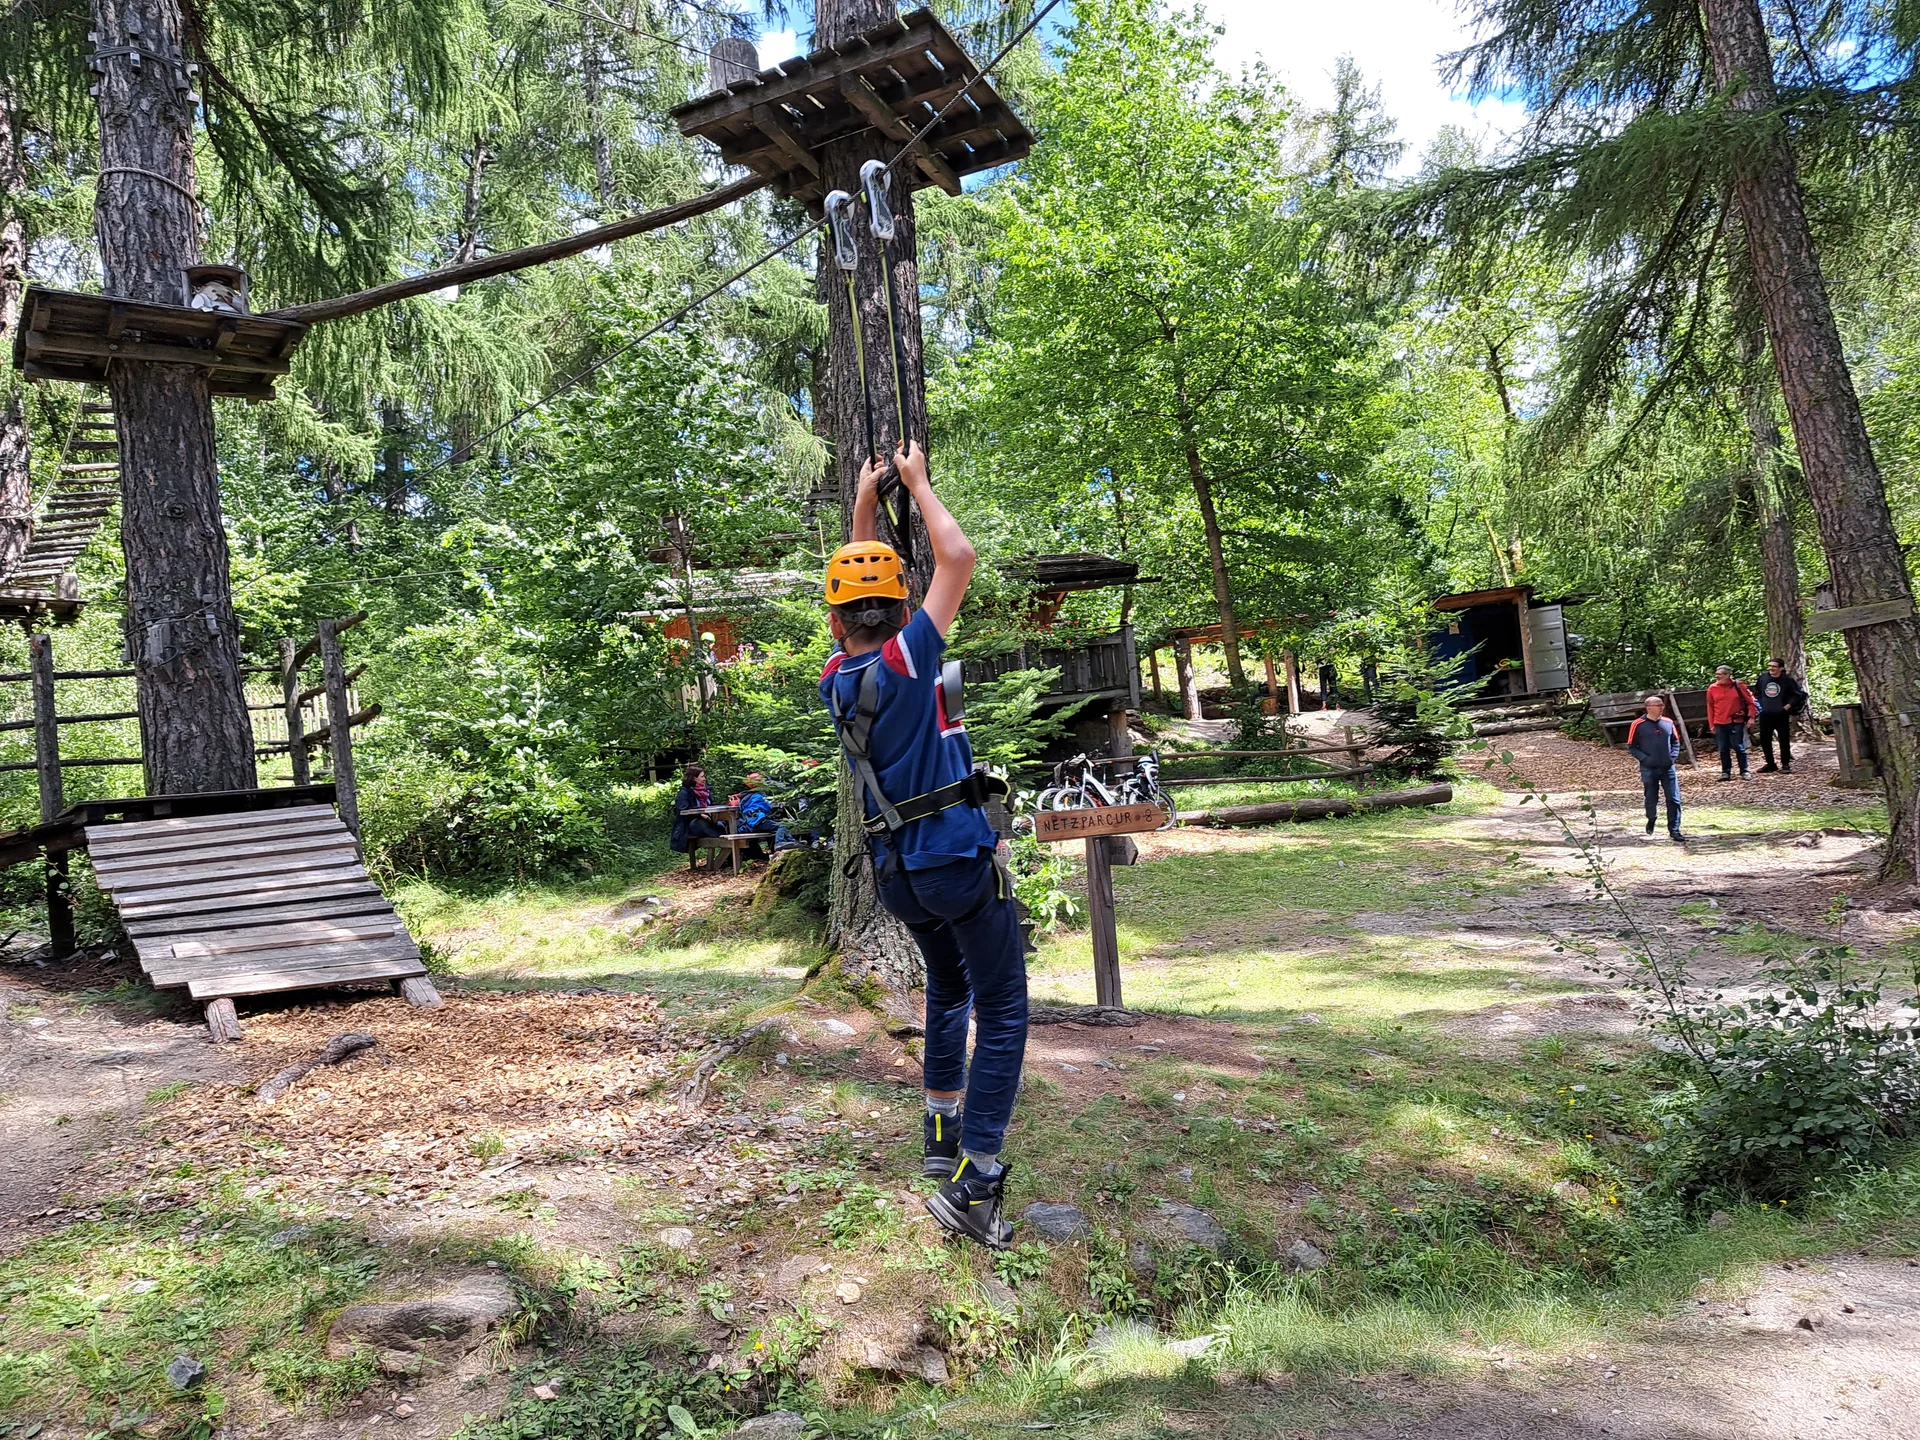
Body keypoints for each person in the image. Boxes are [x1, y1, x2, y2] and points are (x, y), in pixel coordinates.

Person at [818, 439, 1022, 1251]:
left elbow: (856, 591)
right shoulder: (913, 655)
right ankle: (978, 1182)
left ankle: (943, 1140)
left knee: (949, 987)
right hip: (956, 865)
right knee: (1003, 1006)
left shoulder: (839, 676)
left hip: (897, 874)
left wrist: (868, 507)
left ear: (837, 620)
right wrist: (919, 484)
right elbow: (958, 555)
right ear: (903, 609)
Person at [1626, 694, 1686, 841]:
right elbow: (1632, 746)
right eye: (1658, 705)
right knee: (1651, 798)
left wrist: (1672, 757)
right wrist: (1646, 759)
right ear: (1649, 707)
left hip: (1668, 768)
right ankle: (1651, 818)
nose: (1661, 707)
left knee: (1674, 799)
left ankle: (1674, 829)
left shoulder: (1668, 722)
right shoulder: (1638, 724)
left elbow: (1676, 742)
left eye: (1662, 705)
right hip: (1649, 768)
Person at [1752, 658, 1807, 774]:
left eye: (1774, 666)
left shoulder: (1787, 680)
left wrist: (1788, 705)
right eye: (1769, 666)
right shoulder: (1763, 678)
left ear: (1781, 668)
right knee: (1765, 740)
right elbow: (1757, 692)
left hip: (1781, 714)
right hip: (1766, 714)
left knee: (1783, 739)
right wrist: (1760, 704)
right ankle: (1770, 764)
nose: (1771, 668)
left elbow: (1798, 695)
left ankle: (1785, 764)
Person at [1704, 664, 1758, 781]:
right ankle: (1726, 772)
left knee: (1739, 747)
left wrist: (1751, 717)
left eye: (1720, 675)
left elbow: (1750, 702)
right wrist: (1711, 724)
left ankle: (1744, 771)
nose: (1717, 677)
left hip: (1736, 721)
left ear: (1728, 675)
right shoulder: (1712, 688)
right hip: (1719, 722)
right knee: (1723, 748)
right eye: (1716, 674)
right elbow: (1710, 707)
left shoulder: (1739, 686)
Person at [669, 764, 724, 861]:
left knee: (725, 821)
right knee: (700, 823)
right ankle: (724, 839)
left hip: (710, 820)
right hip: (689, 826)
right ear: (694, 778)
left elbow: (712, 805)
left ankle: (730, 840)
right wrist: (699, 814)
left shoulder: (706, 791)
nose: (704, 779)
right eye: (702, 777)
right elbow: (683, 810)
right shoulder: (684, 792)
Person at [737, 772, 777, 860]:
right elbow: (767, 807)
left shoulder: (744, 797)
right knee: (782, 826)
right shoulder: (759, 796)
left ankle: (759, 855)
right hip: (759, 821)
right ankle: (781, 844)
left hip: (749, 824)